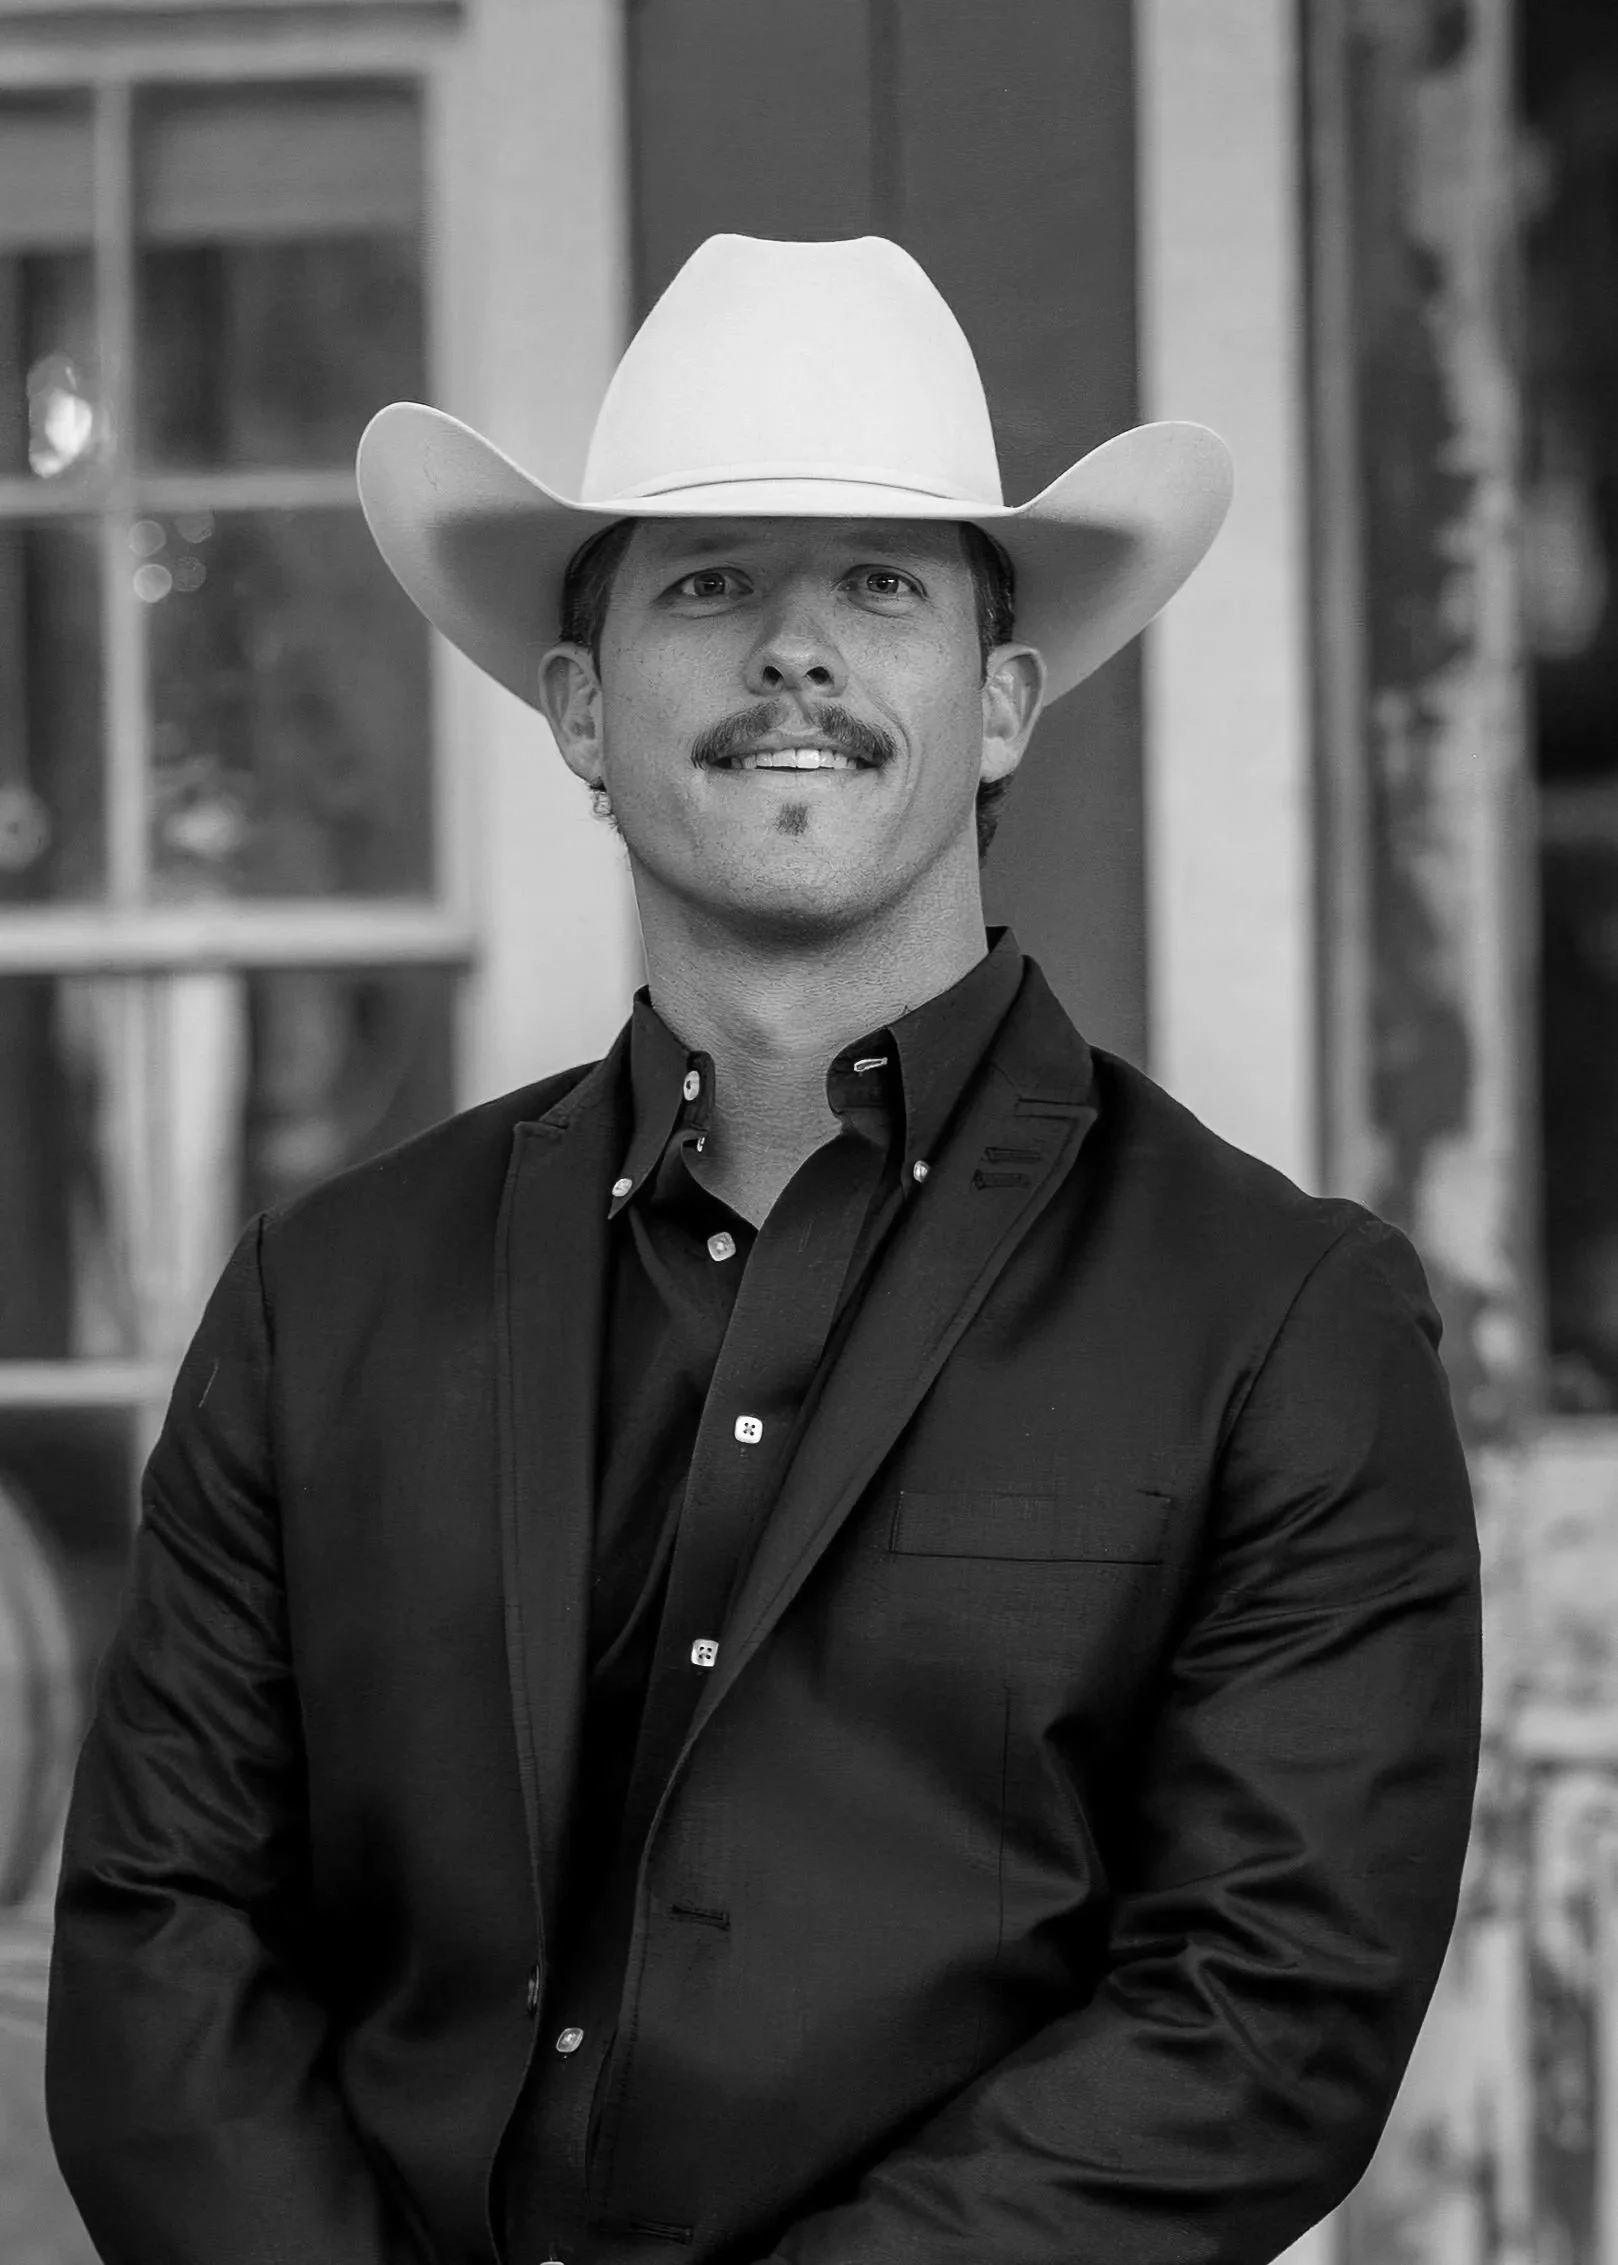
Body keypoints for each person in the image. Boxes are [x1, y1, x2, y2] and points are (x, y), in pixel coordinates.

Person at [44, 234, 1481, 2265]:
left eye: (879, 586)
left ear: (996, 703)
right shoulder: (322, 1300)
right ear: (576, 707)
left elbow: (1265, 2012)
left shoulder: (1274, 1317)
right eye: (708, 584)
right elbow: (165, 1942)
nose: (792, 652)